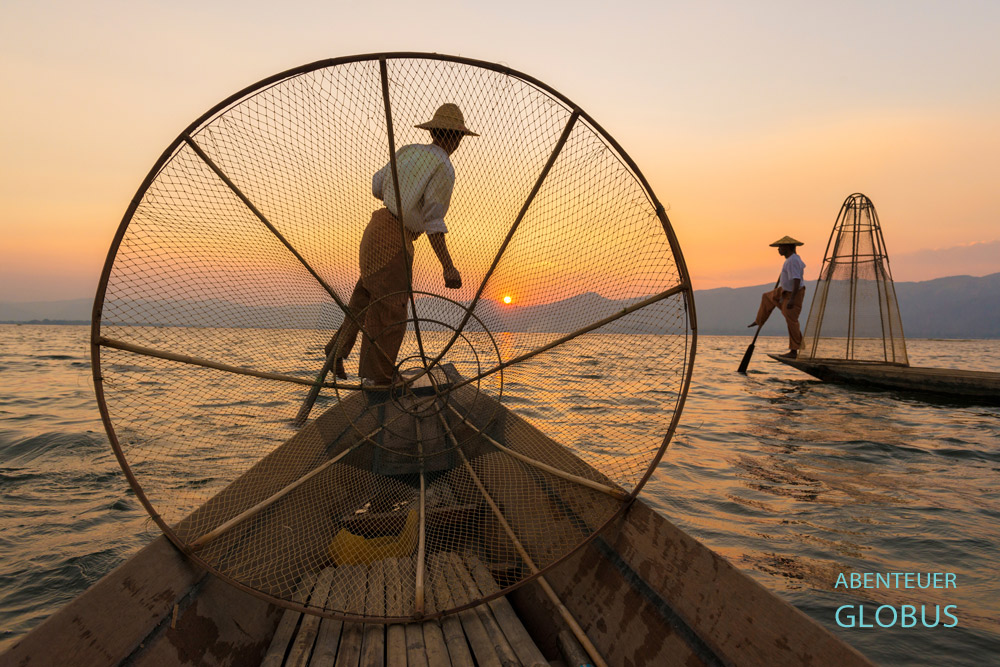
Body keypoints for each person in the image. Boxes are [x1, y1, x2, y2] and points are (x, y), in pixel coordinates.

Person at [326, 103, 477, 386]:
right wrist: (448, 267)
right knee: (391, 309)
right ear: (456, 139)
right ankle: (379, 378)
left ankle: (336, 349)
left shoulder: (408, 151)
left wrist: (403, 195)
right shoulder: (444, 165)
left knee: (364, 299)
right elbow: (433, 221)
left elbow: (377, 186)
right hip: (396, 237)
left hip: (376, 227)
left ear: (433, 132)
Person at [748, 235, 806, 359]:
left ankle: (794, 351)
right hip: (784, 290)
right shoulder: (791, 259)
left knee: (791, 320)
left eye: (780, 247)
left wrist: (792, 299)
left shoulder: (793, 261)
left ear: (787, 247)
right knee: (767, 297)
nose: (778, 249)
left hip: (793, 293)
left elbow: (796, 280)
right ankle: (759, 320)